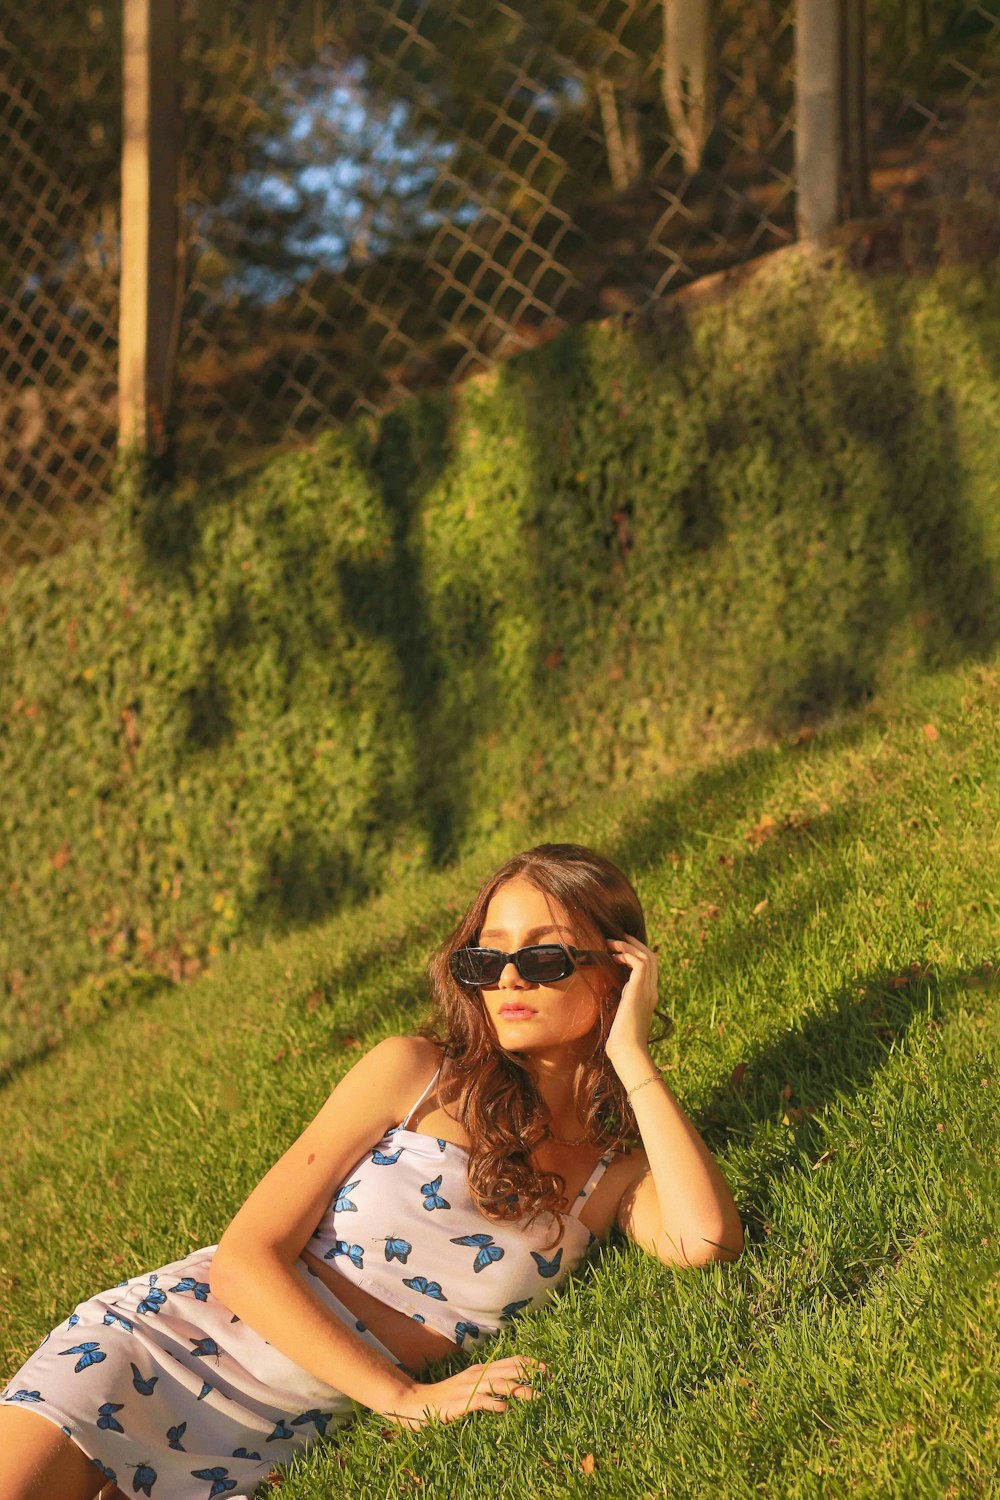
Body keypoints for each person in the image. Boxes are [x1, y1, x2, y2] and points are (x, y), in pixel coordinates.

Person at [0, 841, 744, 1499]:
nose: (509, 980)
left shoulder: (607, 1179)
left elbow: (707, 1242)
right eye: (487, 959)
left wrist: (630, 1055)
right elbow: (242, 1259)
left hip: (266, 1434)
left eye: (543, 958)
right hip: (154, 1346)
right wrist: (402, 1398)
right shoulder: (415, 1076)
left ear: (616, 972)